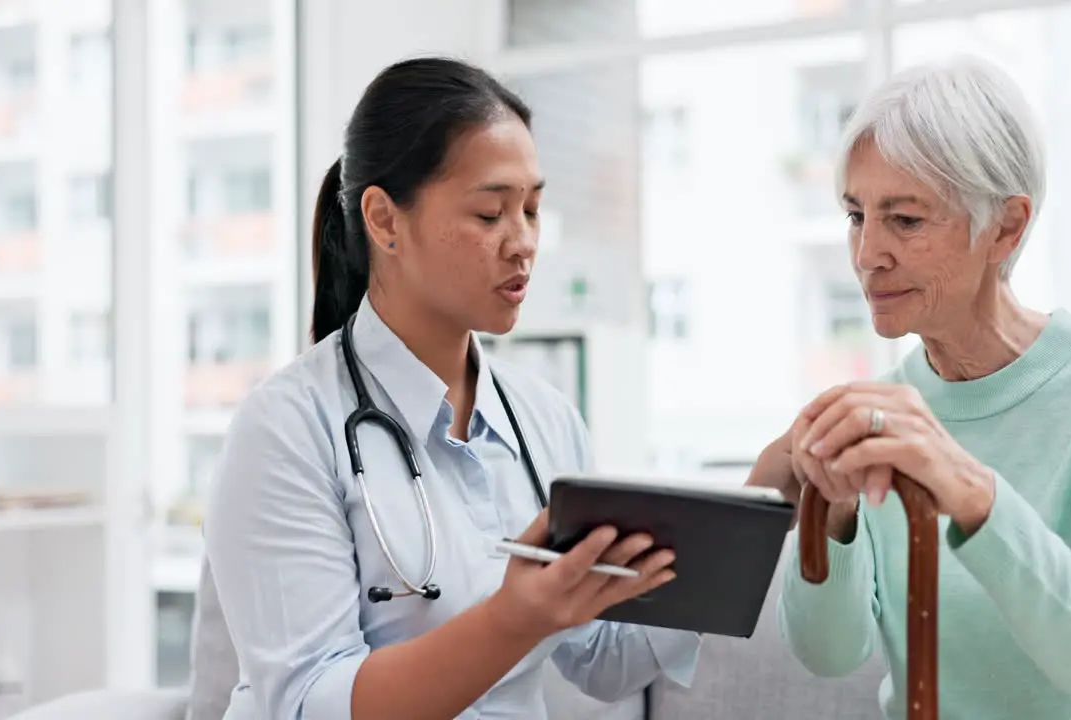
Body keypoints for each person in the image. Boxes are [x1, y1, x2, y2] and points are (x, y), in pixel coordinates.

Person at [202, 57, 700, 720]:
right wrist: (509, 621)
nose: (522, 243)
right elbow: (306, 701)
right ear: (383, 221)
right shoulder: (288, 427)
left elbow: (602, 659)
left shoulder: (544, 420)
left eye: (532, 209)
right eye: (491, 213)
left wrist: (760, 503)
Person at [747, 56, 1071, 719]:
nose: (867, 254)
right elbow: (829, 654)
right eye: (855, 215)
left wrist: (963, 483)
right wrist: (829, 514)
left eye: (905, 220)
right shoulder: (878, 416)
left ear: (1005, 227)